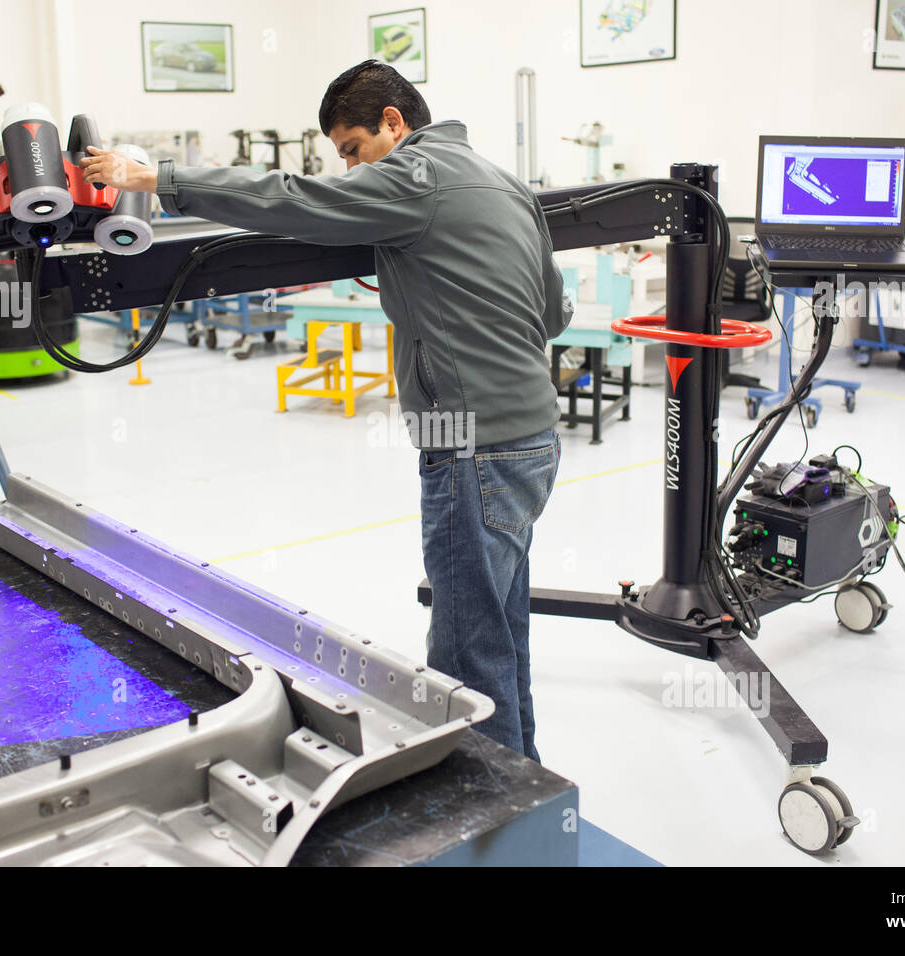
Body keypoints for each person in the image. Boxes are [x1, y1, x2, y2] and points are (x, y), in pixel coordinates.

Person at [81, 60, 573, 761]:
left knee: (466, 647)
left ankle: (489, 813)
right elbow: (554, 312)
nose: (350, 174)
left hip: (471, 446)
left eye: (353, 151)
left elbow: (290, 198)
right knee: (500, 630)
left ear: (394, 125)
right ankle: (526, 780)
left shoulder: (414, 179)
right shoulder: (503, 182)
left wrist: (156, 178)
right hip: (532, 439)